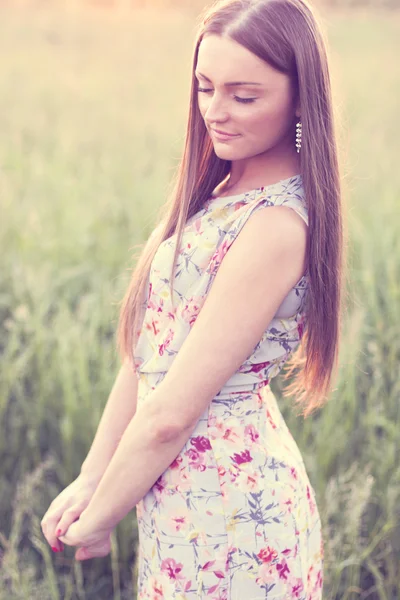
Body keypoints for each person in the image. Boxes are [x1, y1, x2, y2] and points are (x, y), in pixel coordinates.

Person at [41, 0, 345, 597]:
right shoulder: (222, 190)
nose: (214, 111)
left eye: (243, 95)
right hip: (182, 499)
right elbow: (149, 352)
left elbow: (171, 415)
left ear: (300, 97)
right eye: (205, 87)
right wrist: (92, 475)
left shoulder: (275, 226)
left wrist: (101, 517)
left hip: (233, 511)